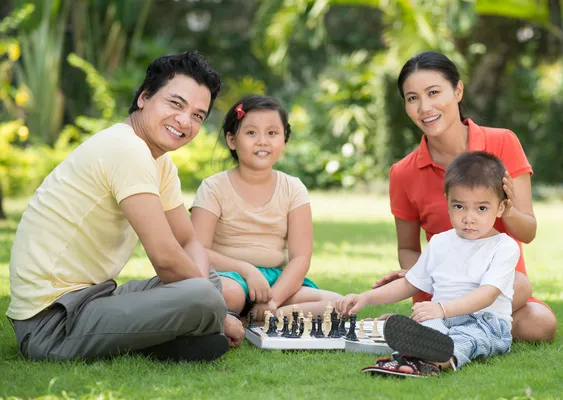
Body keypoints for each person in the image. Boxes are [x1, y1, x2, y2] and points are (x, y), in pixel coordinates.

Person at [6, 51, 245, 362]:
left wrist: (209, 297)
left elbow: (187, 241)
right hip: (51, 322)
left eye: (198, 115)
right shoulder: (126, 147)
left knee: (208, 279)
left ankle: (163, 337)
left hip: (93, 299)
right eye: (176, 104)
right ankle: (171, 336)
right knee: (204, 294)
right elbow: (165, 258)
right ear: (144, 97)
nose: (185, 121)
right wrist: (219, 311)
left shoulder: (160, 163)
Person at [373, 51, 556, 342]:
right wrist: (414, 277)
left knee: (540, 325)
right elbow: (408, 247)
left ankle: (437, 328)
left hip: (505, 288)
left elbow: (529, 231)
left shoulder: (503, 142)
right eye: (412, 98)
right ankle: (445, 323)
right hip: (445, 288)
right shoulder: (403, 172)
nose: (425, 107)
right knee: (523, 323)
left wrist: (505, 209)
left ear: (458, 90)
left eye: (434, 92)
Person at [338, 151, 519, 376]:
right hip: (441, 318)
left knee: (469, 339)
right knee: (428, 327)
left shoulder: (503, 246)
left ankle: (434, 361)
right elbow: (409, 283)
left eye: (481, 208)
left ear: (501, 208)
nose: (468, 217)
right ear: (448, 201)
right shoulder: (441, 242)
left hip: (486, 321)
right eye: (459, 206)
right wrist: (366, 297)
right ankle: (414, 353)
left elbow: (487, 295)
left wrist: (442, 308)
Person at [190, 94, 342, 321]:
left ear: (284, 139)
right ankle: (247, 315)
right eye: (251, 133)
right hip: (227, 276)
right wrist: (247, 271)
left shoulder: (293, 188)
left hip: (274, 282)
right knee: (231, 295)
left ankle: (269, 314)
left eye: (272, 133)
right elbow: (197, 249)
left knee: (339, 304)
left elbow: (301, 258)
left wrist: (273, 300)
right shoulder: (213, 187)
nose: (262, 141)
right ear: (231, 140)